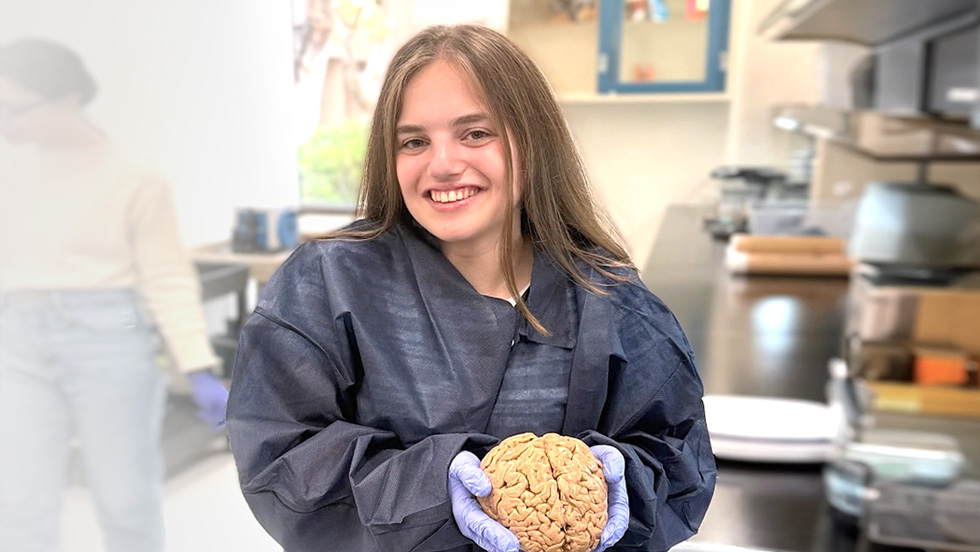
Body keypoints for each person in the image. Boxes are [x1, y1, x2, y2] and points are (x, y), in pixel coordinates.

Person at [227, 24, 715, 552]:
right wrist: (434, 487)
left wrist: (631, 483)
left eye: (475, 133)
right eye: (414, 141)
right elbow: (279, 454)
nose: (442, 164)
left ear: (532, 143)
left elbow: (677, 454)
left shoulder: (612, 304)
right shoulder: (326, 286)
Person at [0, 38, 229, 552]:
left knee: (125, 500)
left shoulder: (134, 176)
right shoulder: (8, 170)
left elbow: (167, 277)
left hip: (110, 337)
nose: (6, 123)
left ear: (65, 99)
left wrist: (197, 367)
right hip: (15, 343)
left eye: (15, 109)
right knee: (19, 506)